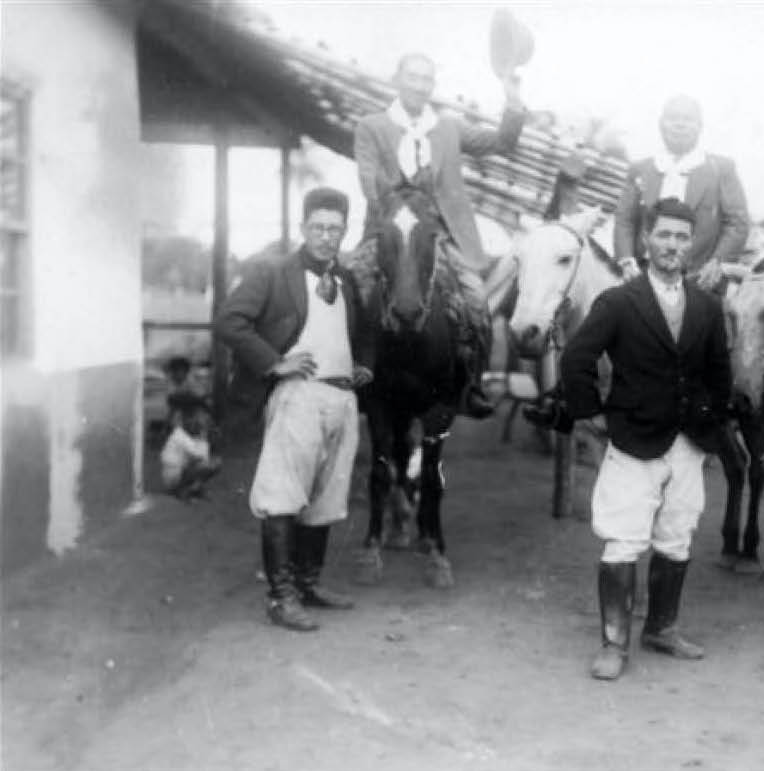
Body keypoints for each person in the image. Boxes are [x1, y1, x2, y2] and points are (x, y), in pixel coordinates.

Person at [548, 198, 731, 680]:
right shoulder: (619, 302)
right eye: (664, 235)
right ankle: (613, 643)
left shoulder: (708, 307)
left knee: (677, 537)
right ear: (646, 240)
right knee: (622, 542)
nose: (673, 245)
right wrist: (594, 415)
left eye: (682, 237)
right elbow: (576, 360)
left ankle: (662, 628)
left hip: (687, 443)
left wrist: (707, 422)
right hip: (632, 442)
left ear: (693, 244)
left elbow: (719, 373)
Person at [214, 187, 374, 633]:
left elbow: (363, 334)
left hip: (341, 399)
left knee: (325, 497)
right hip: (297, 396)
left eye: (335, 229)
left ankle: (307, 585)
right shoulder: (273, 272)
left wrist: (364, 365)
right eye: (318, 227)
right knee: (283, 495)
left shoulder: (346, 281)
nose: (326, 236)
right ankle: (281, 597)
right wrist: (273, 362)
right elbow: (230, 320)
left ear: (345, 232)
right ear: (303, 228)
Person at [353, 52, 526, 418]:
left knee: (477, 300)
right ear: (397, 78)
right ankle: (348, 377)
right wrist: (394, 211)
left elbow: (502, 142)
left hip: (441, 235)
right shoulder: (371, 125)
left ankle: (472, 383)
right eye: (412, 77)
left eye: (426, 79)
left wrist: (512, 99)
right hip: (390, 230)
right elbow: (368, 178)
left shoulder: (447, 127)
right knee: (350, 286)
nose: (419, 86)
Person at [613, 95, 750, 291]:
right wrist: (626, 260)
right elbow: (624, 218)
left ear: (699, 126)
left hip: (700, 279)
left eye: (688, 119)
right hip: (643, 276)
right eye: (673, 118)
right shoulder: (642, 169)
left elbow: (737, 223)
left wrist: (718, 262)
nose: (680, 125)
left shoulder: (720, 169)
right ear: (661, 125)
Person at [159, 395, 220, 502]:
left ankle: (194, 489)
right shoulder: (180, 435)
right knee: (211, 464)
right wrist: (203, 435)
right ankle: (182, 491)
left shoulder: (186, 434)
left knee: (210, 463)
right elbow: (200, 456)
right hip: (173, 476)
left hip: (178, 472)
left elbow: (201, 456)